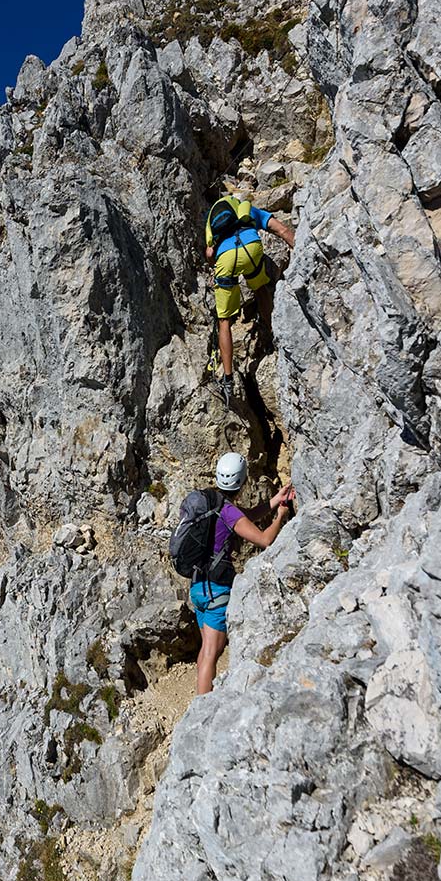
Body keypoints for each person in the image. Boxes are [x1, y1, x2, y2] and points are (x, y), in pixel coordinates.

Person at [191, 452, 295, 695]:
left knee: (207, 650)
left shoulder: (211, 502)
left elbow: (243, 518)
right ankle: (202, 713)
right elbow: (264, 539)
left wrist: (272, 501)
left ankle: (201, 694)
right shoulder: (229, 512)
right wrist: (280, 516)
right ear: (244, 479)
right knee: (210, 653)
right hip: (216, 589)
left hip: (197, 586)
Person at [204, 194, 296, 406]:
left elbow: (209, 253)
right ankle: (275, 337)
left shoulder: (211, 219)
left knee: (224, 320)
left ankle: (227, 380)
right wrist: (302, 253)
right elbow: (282, 230)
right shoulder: (247, 210)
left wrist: (216, 262)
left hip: (226, 259)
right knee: (261, 288)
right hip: (251, 247)